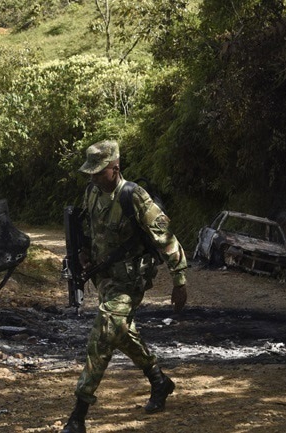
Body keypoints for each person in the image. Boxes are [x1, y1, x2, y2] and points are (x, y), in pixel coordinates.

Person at [61, 140, 188, 433]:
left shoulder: (134, 196)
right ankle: (159, 381)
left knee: (104, 333)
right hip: (105, 279)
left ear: (115, 168)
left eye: (98, 172)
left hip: (130, 281)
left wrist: (179, 280)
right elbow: (88, 229)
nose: (93, 177)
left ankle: (78, 414)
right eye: (91, 172)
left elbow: (166, 237)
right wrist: (83, 253)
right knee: (121, 333)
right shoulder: (92, 193)